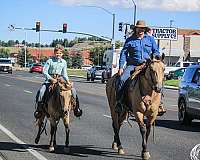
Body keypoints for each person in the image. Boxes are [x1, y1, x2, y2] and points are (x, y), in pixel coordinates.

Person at [116, 20, 160, 112]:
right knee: (122, 80)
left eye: (143, 28)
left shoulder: (150, 39)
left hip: (147, 65)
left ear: (145, 29)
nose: (141, 30)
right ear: (136, 29)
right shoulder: (130, 40)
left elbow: (156, 51)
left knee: (158, 79)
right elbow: (124, 54)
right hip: (132, 65)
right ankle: (119, 102)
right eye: (139, 28)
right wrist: (120, 67)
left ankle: (159, 104)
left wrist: (156, 57)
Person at [34, 44, 81, 119]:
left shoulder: (64, 62)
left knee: (73, 90)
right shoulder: (50, 61)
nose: (58, 54)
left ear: (62, 54)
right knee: (41, 91)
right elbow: (44, 71)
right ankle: (39, 109)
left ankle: (76, 108)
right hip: (50, 80)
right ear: (54, 53)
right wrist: (50, 79)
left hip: (60, 80)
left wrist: (68, 82)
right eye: (57, 53)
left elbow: (64, 73)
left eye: (60, 53)